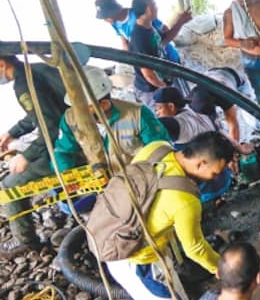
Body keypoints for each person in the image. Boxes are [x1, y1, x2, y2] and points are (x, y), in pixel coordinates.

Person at [105, 132, 234, 300]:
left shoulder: (157, 147)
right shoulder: (185, 200)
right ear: (201, 163)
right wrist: (221, 269)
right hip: (136, 259)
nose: (214, 178)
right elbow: (196, 249)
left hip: (114, 227)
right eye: (214, 173)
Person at [0, 55, 67, 257]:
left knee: (9, 184)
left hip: (70, 148)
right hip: (75, 136)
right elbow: (39, 115)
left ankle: (26, 241)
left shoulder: (25, 84)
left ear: (1, 64)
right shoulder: (36, 69)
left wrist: (27, 156)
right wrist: (12, 132)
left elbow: (51, 125)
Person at [55, 66, 170, 171]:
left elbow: (160, 152)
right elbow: (63, 152)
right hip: (99, 184)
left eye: (84, 108)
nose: (78, 113)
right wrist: (68, 176)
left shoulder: (137, 115)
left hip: (137, 181)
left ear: (104, 104)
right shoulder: (70, 119)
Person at [129, 0, 192, 107]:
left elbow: (165, 40)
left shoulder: (150, 26)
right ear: (148, 9)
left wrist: (180, 22)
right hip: (151, 89)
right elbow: (148, 74)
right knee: (164, 119)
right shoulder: (139, 38)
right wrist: (166, 89)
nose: (157, 7)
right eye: (154, 4)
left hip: (162, 80)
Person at [94, 0, 181, 63]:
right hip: (149, 63)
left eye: (106, 16)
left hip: (168, 58)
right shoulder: (115, 23)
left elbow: (164, 31)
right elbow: (124, 42)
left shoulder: (140, 15)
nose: (105, 20)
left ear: (114, 11)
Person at [187, 67, 251, 142]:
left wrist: (234, 149)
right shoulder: (191, 97)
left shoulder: (224, 95)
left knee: (249, 111)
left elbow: (233, 123)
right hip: (211, 73)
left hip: (236, 79)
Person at [153, 86, 217, 145]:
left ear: (171, 106)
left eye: (159, 108)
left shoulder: (181, 124)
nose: (157, 113)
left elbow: (153, 125)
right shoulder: (193, 111)